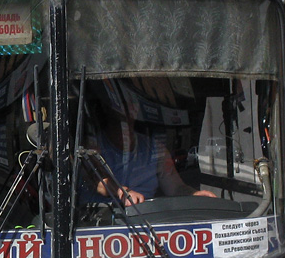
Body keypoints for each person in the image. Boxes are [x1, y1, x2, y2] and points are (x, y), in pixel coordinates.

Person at [82, 81, 214, 207]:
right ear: (107, 107)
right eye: (123, 102)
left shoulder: (155, 149)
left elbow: (176, 188)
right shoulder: (94, 146)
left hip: (146, 221)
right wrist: (122, 192)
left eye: (133, 102)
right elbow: (97, 180)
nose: (130, 108)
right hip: (103, 222)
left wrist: (193, 194)